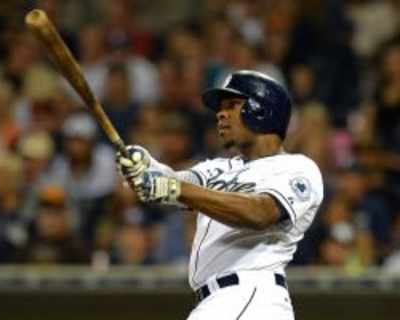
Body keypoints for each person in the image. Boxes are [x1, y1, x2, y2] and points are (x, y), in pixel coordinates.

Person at [117, 70, 324, 319]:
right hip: (224, 301)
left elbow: (260, 213)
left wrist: (174, 187)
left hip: (250, 294)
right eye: (220, 108)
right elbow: (175, 183)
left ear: (262, 109)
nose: (220, 114)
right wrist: (144, 166)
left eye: (232, 105)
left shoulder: (297, 167)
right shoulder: (217, 168)